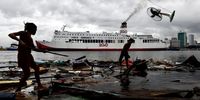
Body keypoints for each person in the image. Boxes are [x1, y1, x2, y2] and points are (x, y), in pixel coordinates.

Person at [8, 22, 45, 92]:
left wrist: (43, 50)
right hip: (22, 56)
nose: (36, 31)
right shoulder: (23, 33)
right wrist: (20, 41)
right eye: (35, 30)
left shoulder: (30, 39)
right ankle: (18, 89)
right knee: (27, 74)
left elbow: (34, 49)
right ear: (31, 29)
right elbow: (10, 34)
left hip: (29, 55)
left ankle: (39, 85)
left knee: (36, 68)